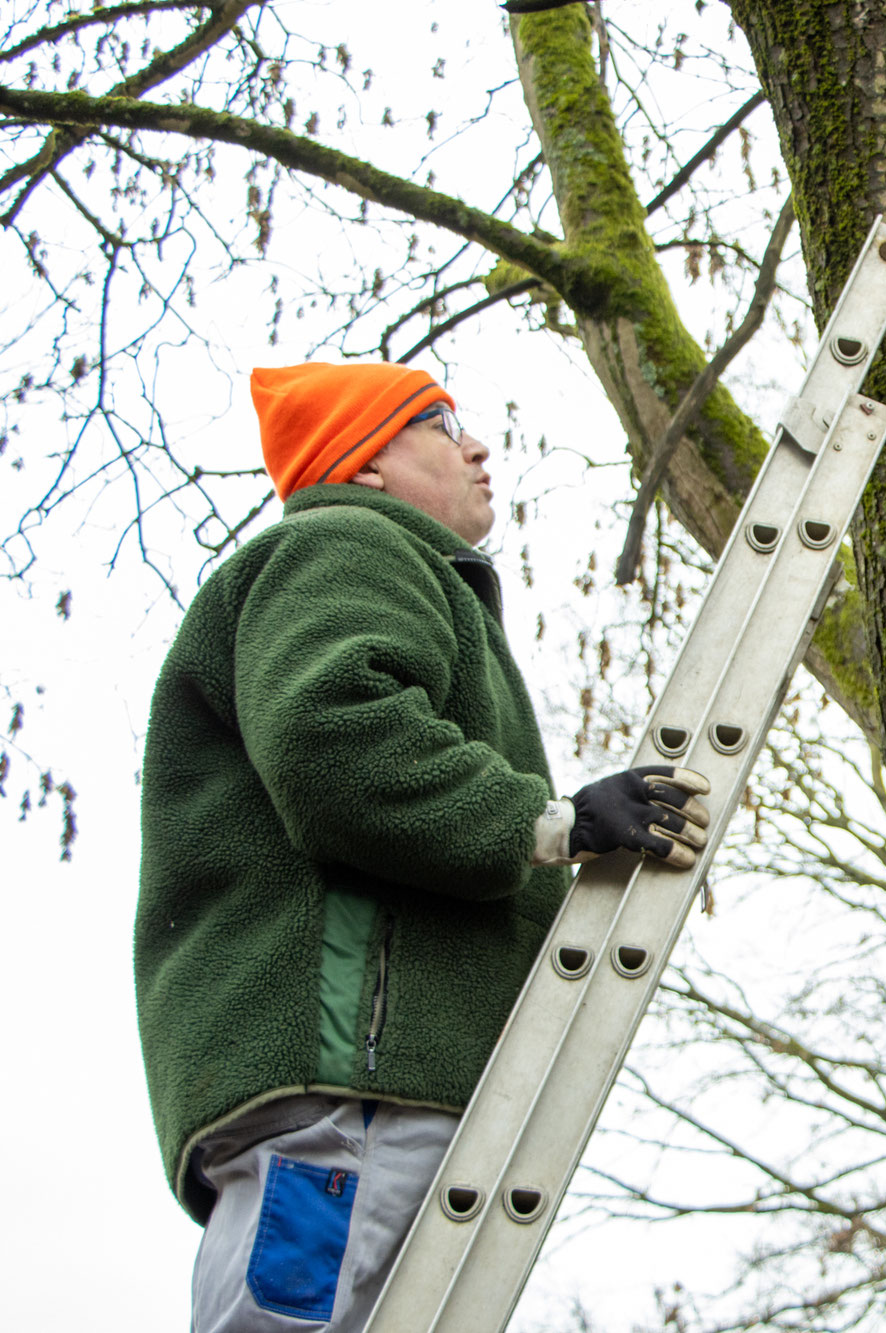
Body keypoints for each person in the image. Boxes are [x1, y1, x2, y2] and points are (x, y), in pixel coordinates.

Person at [135, 361, 710, 1331]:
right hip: (350, 1097)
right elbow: (333, 738)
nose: (478, 446)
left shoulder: (391, 569)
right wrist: (553, 822)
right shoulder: (346, 546)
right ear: (359, 467)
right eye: (440, 424)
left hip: (372, 1095)